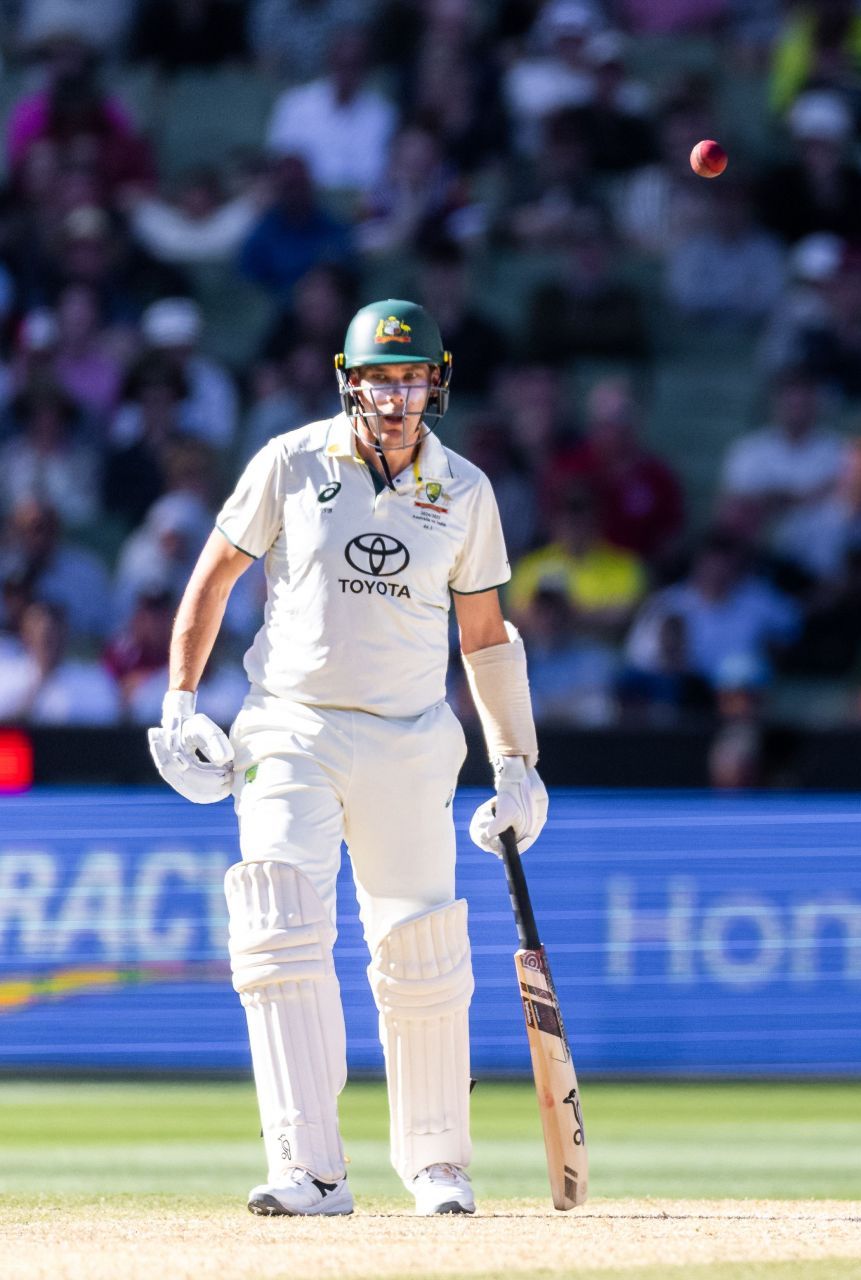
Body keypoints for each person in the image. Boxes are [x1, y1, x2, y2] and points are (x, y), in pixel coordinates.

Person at [144, 300, 546, 1218]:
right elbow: (214, 577)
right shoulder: (289, 461)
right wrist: (178, 702)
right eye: (379, 381)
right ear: (348, 382)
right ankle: (308, 1167)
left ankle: (439, 1164)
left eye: (411, 380)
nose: (396, 399)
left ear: (434, 385)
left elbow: (485, 638)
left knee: (422, 950)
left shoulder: (467, 491)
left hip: (412, 737)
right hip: (291, 724)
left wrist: (517, 763)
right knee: (278, 922)